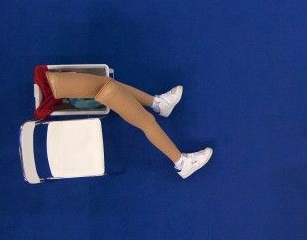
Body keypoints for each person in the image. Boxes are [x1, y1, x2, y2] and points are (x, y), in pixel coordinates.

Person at [37, 68, 213, 179]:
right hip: (54, 86)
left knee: (108, 84)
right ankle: (182, 163)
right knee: (145, 121)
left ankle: (159, 104)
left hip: (53, 84)